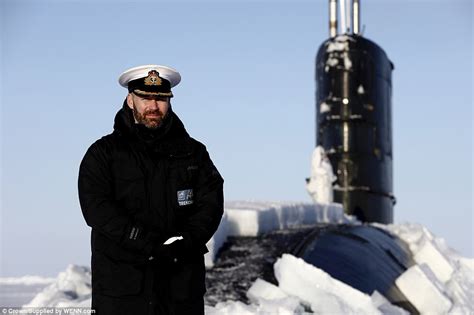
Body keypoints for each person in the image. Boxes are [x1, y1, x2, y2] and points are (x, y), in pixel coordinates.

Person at [78, 64, 224, 315]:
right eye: (145, 97)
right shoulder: (103, 154)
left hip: (180, 291)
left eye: (160, 99)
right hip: (122, 293)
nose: (153, 106)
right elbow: (96, 208)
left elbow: (211, 203)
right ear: (130, 100)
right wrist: (145, 241)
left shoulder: (194, 153)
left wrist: (185, 240)